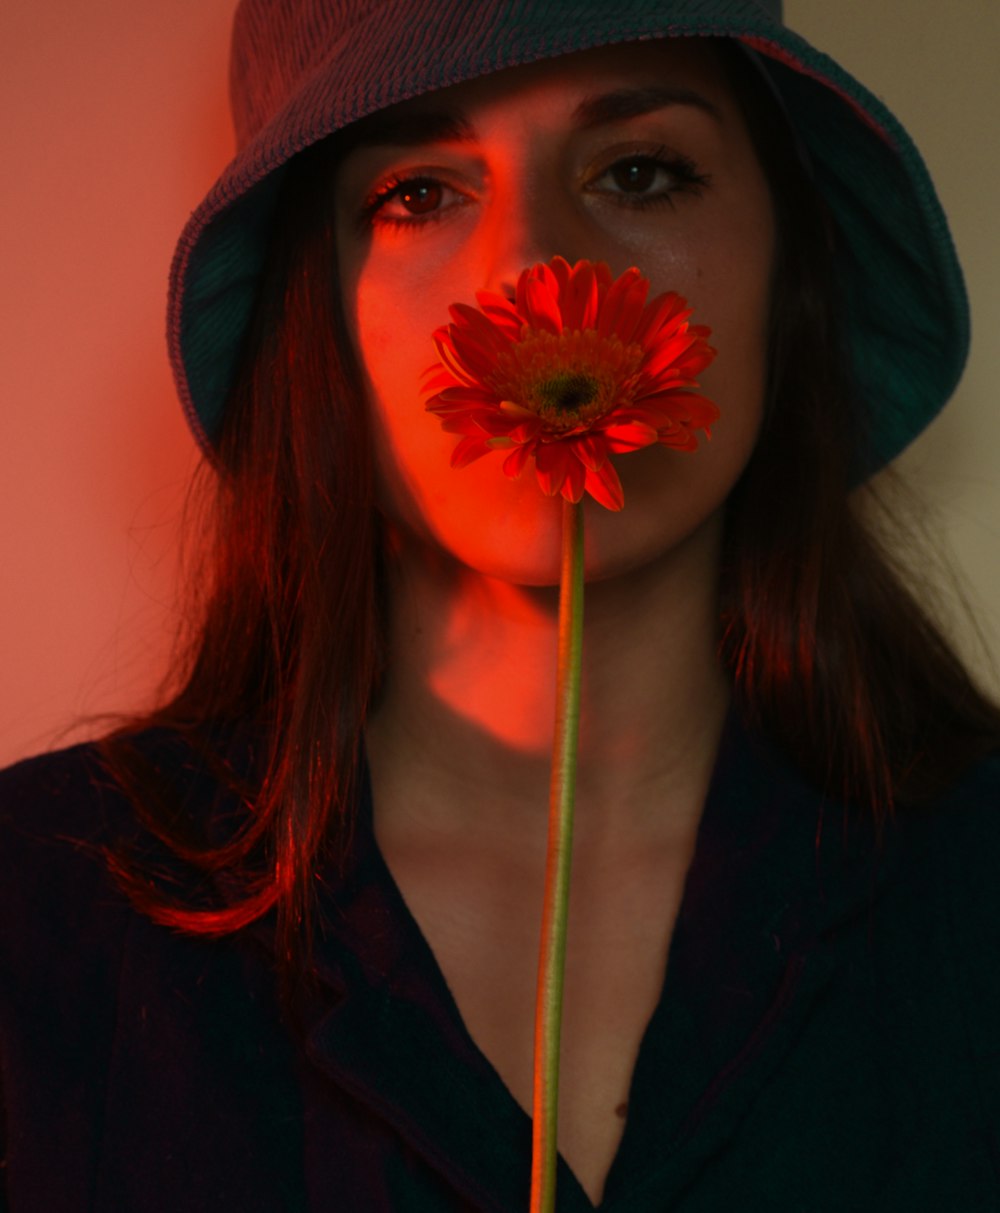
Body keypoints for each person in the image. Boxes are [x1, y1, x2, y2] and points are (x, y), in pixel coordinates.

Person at [2, 1, 999, 1209]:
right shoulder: (37, 913)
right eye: (416, 193)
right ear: (311, 316)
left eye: (641, 171)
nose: (537, 272)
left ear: (790, 269)